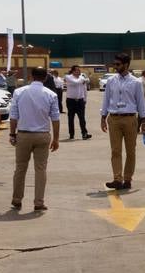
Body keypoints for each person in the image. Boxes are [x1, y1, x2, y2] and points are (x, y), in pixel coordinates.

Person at [7, 66, 60, 212]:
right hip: (43, 135)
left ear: (31, 76)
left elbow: (13, 116)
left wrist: (12, 134)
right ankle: (38, 202)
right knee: (40, 169)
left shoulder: (19, 92)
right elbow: (55, 118)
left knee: (20, 168)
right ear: (45, 77)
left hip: (23, 135)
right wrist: (56, 139)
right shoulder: (51, 94)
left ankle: (17, 200)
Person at [100, 53, 145, 190]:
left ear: (126, 65)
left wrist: (144, 121)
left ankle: (127, 179)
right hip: (114, 119)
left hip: (130, 119)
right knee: (115, 151)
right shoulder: (111, 81)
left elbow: (141, 103)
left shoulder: (136, 82)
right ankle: (117, 179)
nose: (115, 67)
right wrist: (103, 117)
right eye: (114, 64)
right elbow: (106, 99)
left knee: (131, 151)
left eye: (118, 64)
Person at [63, 64, 92, 140]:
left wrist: (85, 99)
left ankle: (84, 133)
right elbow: (75, 82)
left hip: (80, 100)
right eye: (76, 70)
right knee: (71, 118)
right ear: (72, 71)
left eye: (79, 70)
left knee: (82, 118)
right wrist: (84, 79)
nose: (78, 71)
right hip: (71, 101)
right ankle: (71, 134)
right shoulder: (68, 77)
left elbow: (84, 89)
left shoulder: (82, 78)